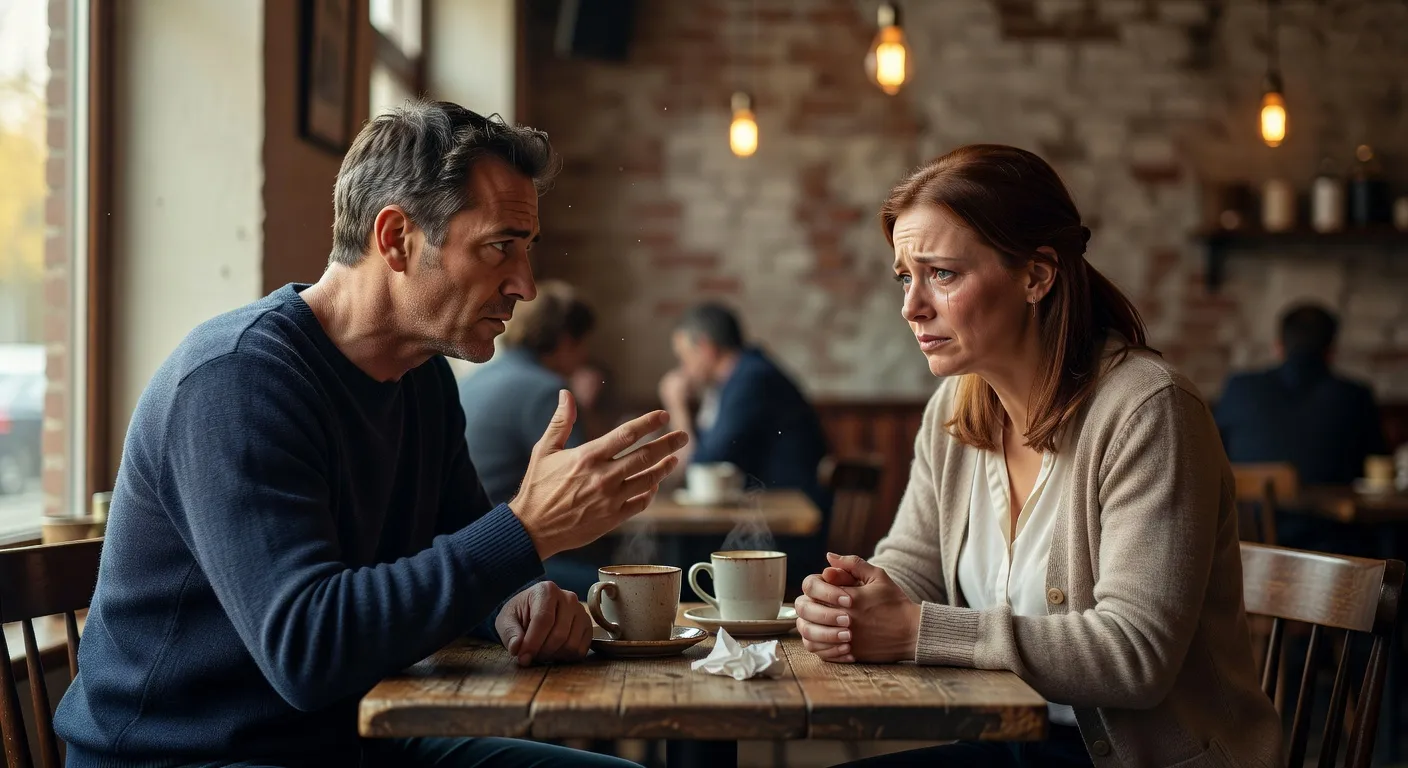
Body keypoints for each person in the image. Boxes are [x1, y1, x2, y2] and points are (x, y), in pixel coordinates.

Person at [54, 101, 687, 768]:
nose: (525, 286)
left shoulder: (422, 378)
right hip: (193, 757)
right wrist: (527, 531)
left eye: (527, 251)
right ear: (396, 238)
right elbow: (307, 652)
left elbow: (465, 547)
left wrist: (518, 602)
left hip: (344, 742)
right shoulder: (237, 382)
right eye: (501, 246)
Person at [792, 145, 1283, 767]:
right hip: (1012, 745)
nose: (911, 306)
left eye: (941, 274)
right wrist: (849, 600)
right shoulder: (954, 412)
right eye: (904, 277)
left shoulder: (1148, 410)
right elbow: (914, 571)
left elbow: (1135, 656)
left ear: (1036, 275)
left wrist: (917, 630)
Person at [659, 304, 831, 585]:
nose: (683, 369)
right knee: (684, 550)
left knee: (683, 561)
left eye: (684, 357)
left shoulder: (750, 379)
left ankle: (685, 623)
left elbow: (705, 464)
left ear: (705, 347)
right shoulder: (745, 375)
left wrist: (676, 406)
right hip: (773, 521)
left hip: (790, 535)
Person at [459, 280, 608, 597]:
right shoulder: (547, 390)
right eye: (584, 345)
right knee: (620, 584)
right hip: (506, 558)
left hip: (464, 550)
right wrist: (584, 404)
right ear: (567, 341)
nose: (585, 356)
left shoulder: (476, 378)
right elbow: (585, 484)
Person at [1216, 303, 1387, 486]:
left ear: (1278, 347)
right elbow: (1377, 470)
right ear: (1331, 352)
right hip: (1332, 513)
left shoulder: (1239, 389)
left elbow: (1212, 458)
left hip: (1247, 513)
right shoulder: (1356, 397)